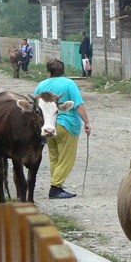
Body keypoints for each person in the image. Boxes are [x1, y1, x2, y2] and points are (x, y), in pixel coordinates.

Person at [34, 58, 91, 199]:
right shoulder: (69, 84)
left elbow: (36, 106)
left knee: (54, 157)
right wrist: (87, 122)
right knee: (66, 159)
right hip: (67, 126)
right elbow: (78, 105)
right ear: (63, 71)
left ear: (49, 72)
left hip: (49, 126)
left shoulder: (41, 85)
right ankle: (55, 188)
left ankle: (57, 186)